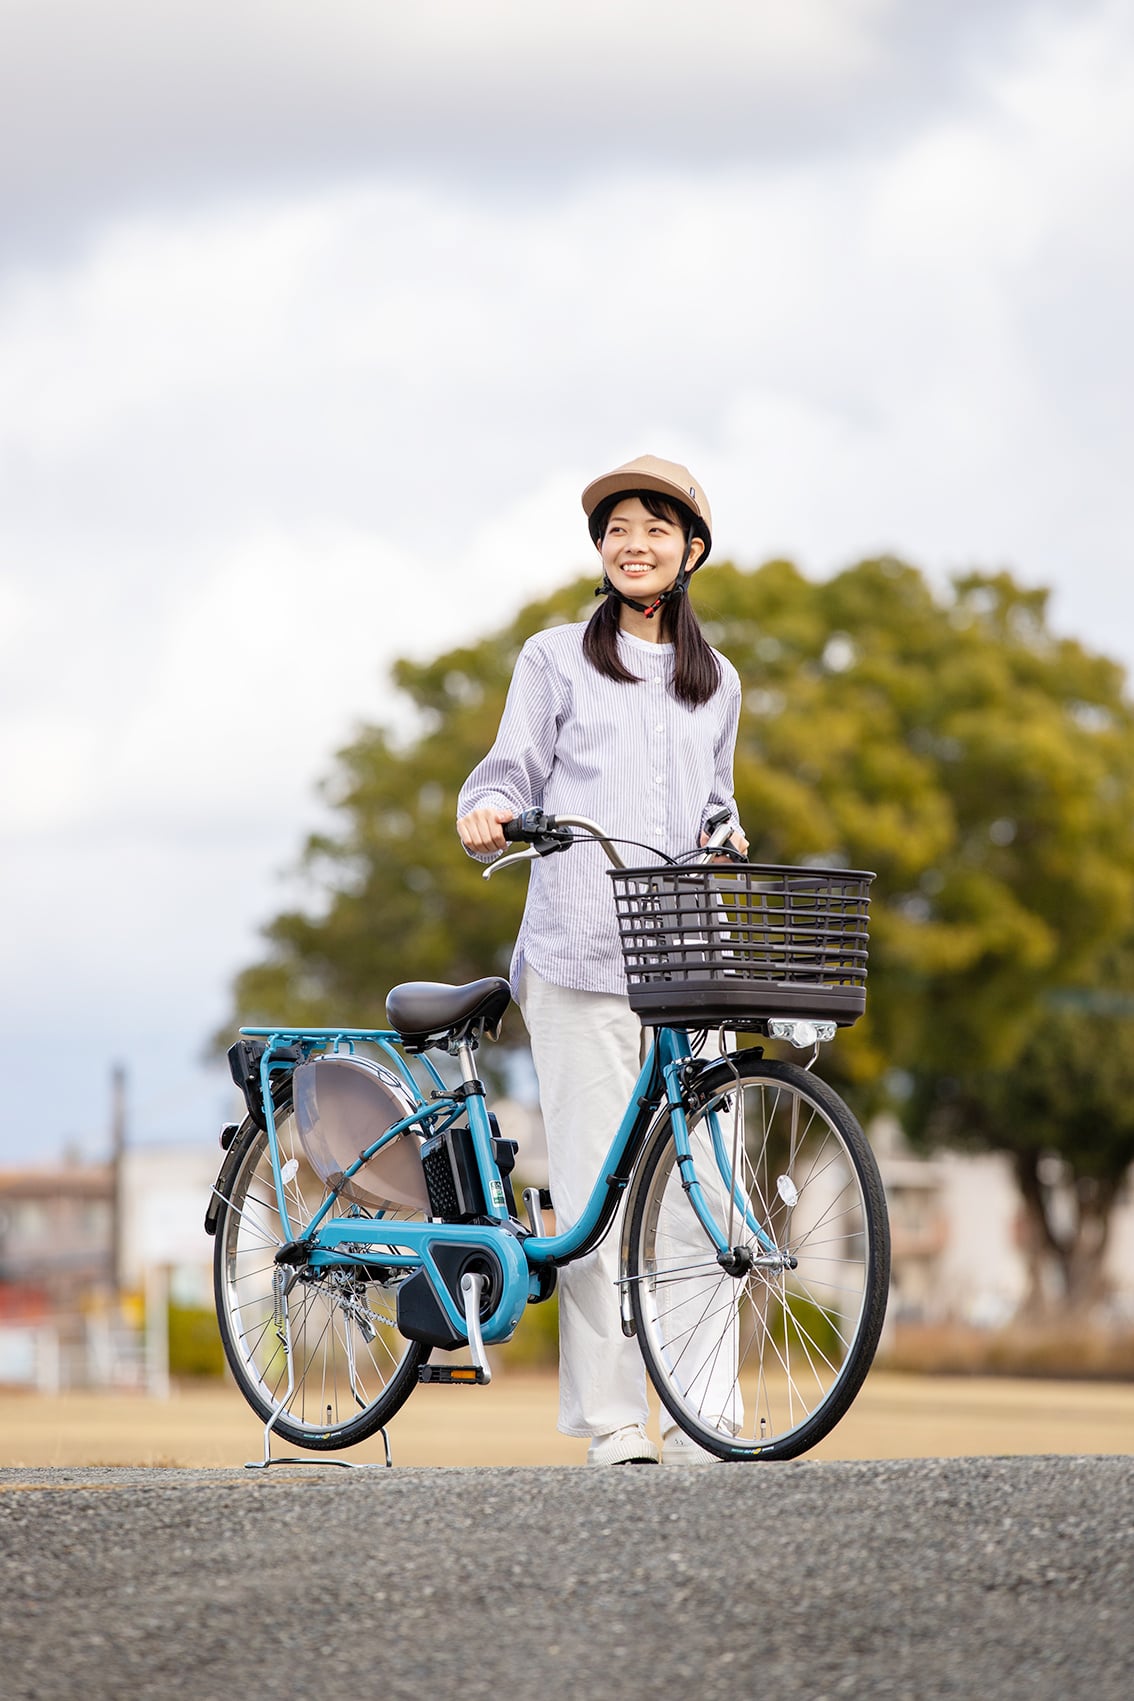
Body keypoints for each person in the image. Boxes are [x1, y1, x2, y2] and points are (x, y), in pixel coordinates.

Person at [456, 454, 747, 1465]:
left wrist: (726, 832)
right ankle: (617, 1424)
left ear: (691, 550)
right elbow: (504, 772)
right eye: (619, 527)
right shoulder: (553, 659)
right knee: (595, 1192)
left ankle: (709, 1413)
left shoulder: (720, 685)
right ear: (601, 550)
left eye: (656, 528)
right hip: (579, 955)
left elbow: (715, 799)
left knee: (706, 1187)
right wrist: (487, 814)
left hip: (687, 960)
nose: (636, 542)